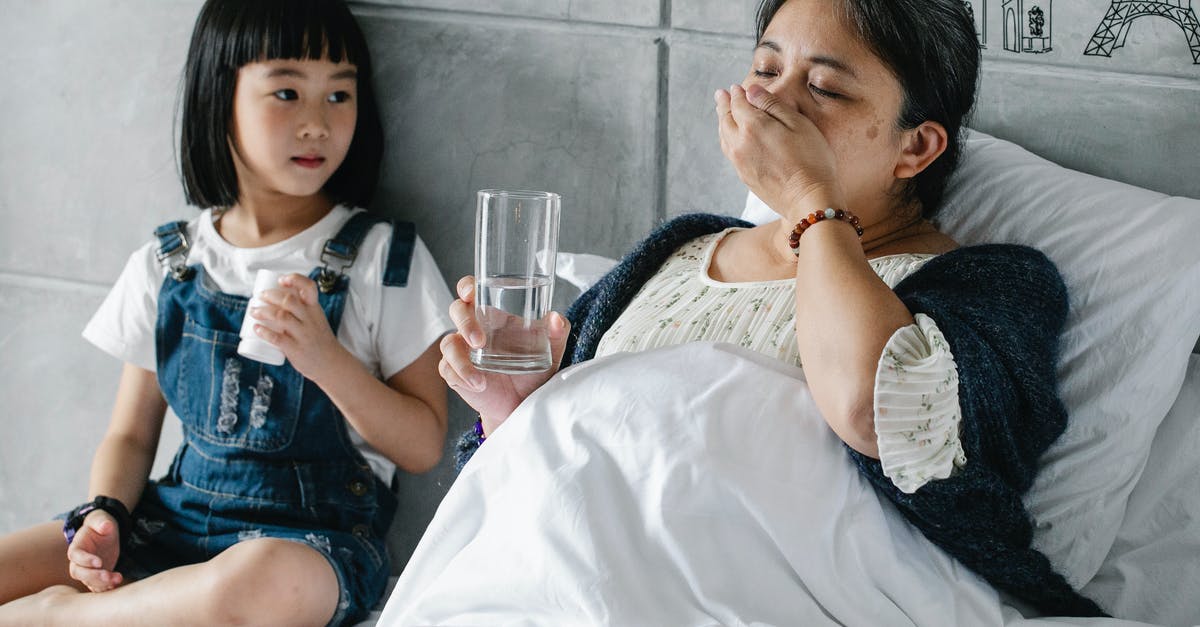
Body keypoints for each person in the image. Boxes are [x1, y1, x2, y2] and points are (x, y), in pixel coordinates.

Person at [438, 0, 1106, 618]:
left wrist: (808, 196)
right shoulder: (674, 252)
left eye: (825, 88)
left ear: (917, 147)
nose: (771, 100)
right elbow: (545, 492)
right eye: (764, 68)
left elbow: (873, 407)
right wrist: (511, 411)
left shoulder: (995, 287)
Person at [0, 0, 454, 625]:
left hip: (312, 545)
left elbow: (424, 443)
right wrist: (105, 513)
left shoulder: (382, 258)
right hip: (176, 521)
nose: (318, 124)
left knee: (257, 583)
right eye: (288, 92)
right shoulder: (172, 261)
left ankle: (59, 619)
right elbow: (131, 435)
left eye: (339, 96)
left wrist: (327, 361)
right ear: (222, 98)